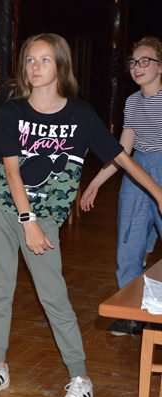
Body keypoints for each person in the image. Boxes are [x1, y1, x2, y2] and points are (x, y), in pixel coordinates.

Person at [0, 34, 162, 397]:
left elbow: (122, 158)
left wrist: (158, 194)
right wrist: (27, 221)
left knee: (53, 295)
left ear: (61, 65)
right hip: (3, 209)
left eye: (44, 59)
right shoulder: (12, 112)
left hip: (44, 216)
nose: (35, 67)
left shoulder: (79, 115)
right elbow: (12, 171)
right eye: (30, 60)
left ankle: (80, 377)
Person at [80, 36, 162, 336]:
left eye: (145, 61)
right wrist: (95, 183)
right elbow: (122, 152)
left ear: (160, 66)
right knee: (128, 243)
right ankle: (132, 314)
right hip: (136, 170)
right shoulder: (132, 102)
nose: (137, 67)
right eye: (133, 62)